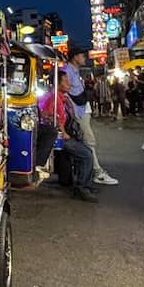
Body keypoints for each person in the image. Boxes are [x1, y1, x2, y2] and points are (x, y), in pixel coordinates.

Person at [38, 71, 98, 202]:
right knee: (86, 154)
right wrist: (63, 132)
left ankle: (83, 183)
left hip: (66, 133)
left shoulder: (62, 98)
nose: (69, 84)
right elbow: (49, 118)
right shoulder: (53, 99)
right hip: (58, 137)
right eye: (66, 82)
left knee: (84, 150)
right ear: (58, 83)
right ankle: (82, 188)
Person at [63, 46, 118, 185]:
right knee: (89, 141)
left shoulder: (74, 71)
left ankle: (88, 171)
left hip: (82, 110)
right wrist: (72, 109)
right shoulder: (67, 71)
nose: (84, 58)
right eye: (82, 55)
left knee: (86, 142)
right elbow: (64, 93)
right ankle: (97, 172)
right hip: (78, 112)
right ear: (75, 57)